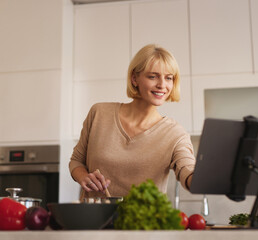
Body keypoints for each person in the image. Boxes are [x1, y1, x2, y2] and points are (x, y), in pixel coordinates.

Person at [69, 44, 196, 200]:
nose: (162, 85)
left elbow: (187, 170)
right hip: (94, 220)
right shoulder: (99, 114)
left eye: (169, 78)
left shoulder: (175, 133)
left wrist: (201, 178)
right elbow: (76, 162)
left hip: (143, 223)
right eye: (153, 76)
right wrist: (83, 177)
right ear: (134, 78)